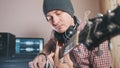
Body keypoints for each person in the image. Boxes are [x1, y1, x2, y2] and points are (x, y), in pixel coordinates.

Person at [29, 0, 112, 68]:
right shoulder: (55, 34)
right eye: (49, 18)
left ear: (70, 12)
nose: (55, 22)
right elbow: (50, 43)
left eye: (58, 13)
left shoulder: (93, 34)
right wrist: (42, 54)